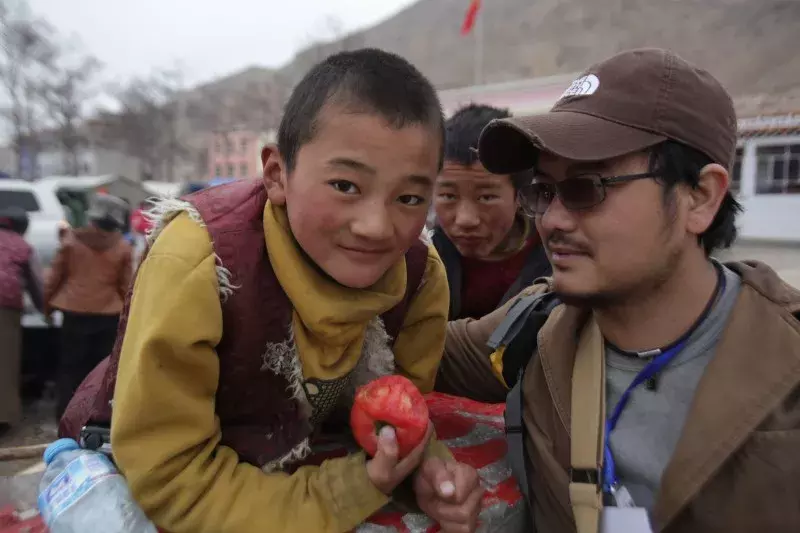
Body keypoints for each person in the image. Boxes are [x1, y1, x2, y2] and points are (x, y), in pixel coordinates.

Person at [58, 49, 483, 533]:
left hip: (284, 456)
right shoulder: (200, 261)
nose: (376, 226)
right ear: (277, 175)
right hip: (129, 462)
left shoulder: (418, 274)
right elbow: (170, 479)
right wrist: (352, 487)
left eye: (409, 198)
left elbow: (396, 409)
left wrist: (419, 463)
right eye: (345, 185)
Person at [436, 48, 800, 532]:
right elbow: (399, 349)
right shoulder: (539, 329)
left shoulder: (787, 361)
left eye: (588, 187)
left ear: (700, 196)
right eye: (543, 191)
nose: (554, 220)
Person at [432, 104, 550, 320]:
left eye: (486, 197)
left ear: (520, 196)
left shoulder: (556, 258)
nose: (466, 220)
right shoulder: (417, 258)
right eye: (448, 196)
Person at [45, 193, 133, 421]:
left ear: (91, 218)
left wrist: (47, 307)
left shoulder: (71, 241)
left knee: (70, 368)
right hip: (108, 314)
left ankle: (65, 416)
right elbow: (126, 287)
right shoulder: (123, 247)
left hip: (74, 312)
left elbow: (54, 278)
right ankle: (95, 417)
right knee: (101, 371)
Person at [0, 207, 44, 432]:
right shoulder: (22, 246)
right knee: (5, 362)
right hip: (5, 306)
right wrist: (44, 309)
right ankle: (3, 416)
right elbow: (36, 283)